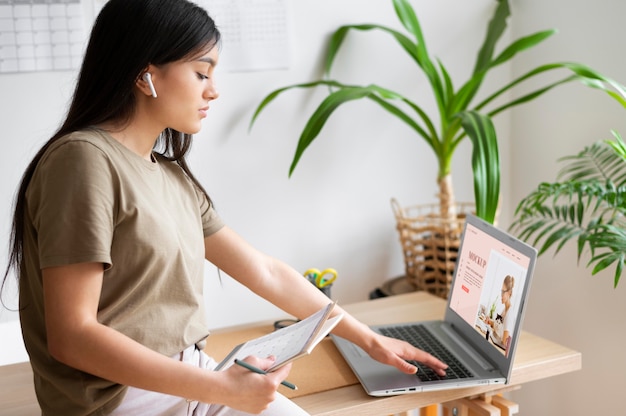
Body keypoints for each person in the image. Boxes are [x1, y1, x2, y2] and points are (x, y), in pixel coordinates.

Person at [1, 0, 447, 415]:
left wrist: (369, 339)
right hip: (122, 400)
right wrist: (222, 389)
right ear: (145, 75)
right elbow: (72, 337)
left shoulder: (169, 174)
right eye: (201, 72)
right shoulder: (83, 161)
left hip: (187, 377)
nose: (214, 91)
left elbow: (265, 271)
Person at [486, 275, 515, 357]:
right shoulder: (504, 310)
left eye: (503, 292)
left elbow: (503, 343)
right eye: (501, 291)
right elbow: (498, 326)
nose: (501, 295)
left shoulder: (509, 314)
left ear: (509, 293)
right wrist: (490, 322)